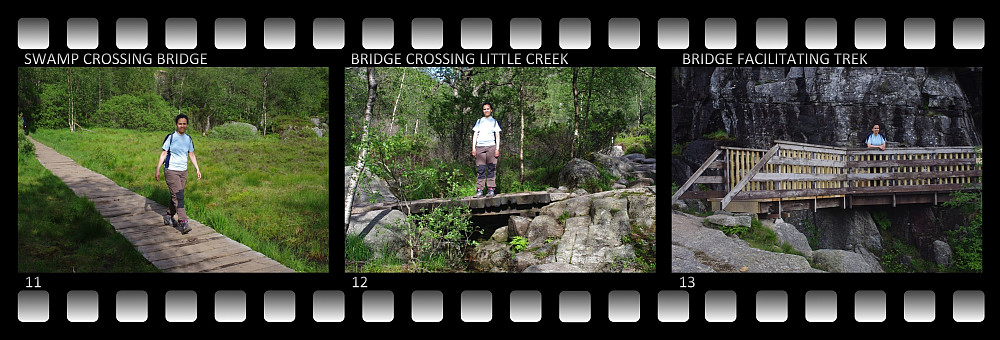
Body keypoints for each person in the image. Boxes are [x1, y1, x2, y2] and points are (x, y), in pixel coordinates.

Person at [155, 114, 202, 234]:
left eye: (184, 124)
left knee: (176, 195)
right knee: (179, 196)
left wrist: (197, 169)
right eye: (180, 123)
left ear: (187, 125)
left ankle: (168, 216)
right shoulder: (171, 137)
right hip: (171, 170)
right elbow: (163, 154)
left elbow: (191, 154)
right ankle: (183, 222)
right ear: (176, 124)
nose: (182, 126)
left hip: (183, 171)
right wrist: (158, 169)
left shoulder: (188, 139)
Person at [471, 102, 501, 197]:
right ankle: (479, 190)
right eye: (484, 109)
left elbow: (497, 135)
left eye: (488, 109)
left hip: (491, 146)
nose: (486, 110)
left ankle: (491, 189)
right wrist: (473, 148)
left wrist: (497, 148)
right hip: (480, 147)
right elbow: (475, 134)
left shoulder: (494, 121)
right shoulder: (479, 121)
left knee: (492, 168)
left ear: (491, 110)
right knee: (481, 169)